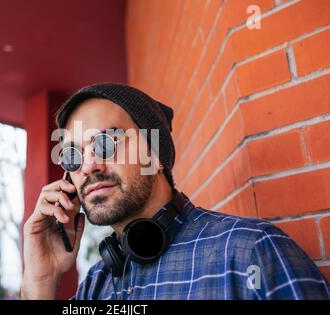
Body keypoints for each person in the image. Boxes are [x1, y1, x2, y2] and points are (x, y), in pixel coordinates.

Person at [20, 83, 330, 300]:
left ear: (154, 153)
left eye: (106, 143)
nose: (87, 166)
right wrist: (39, 281)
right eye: (72, 155)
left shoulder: (252, 252)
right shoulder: (95, 286)